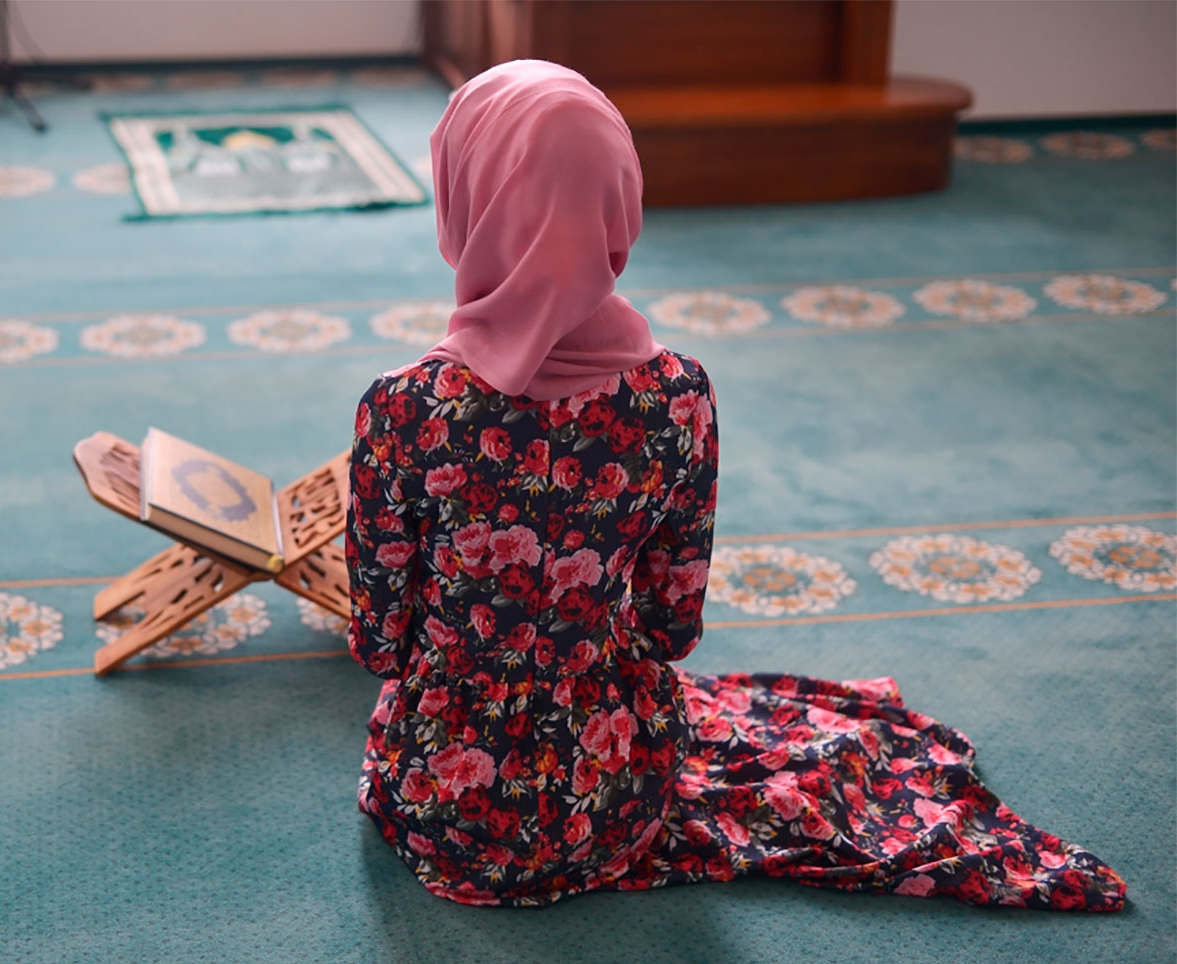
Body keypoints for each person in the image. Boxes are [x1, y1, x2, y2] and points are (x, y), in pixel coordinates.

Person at [344, 60, 1126, 911]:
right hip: (615, 786)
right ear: (617, 201)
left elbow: (381, 641)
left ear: (469, 200)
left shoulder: (405, 409)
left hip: (445, 802)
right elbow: (671, 625)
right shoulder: (678, 395)